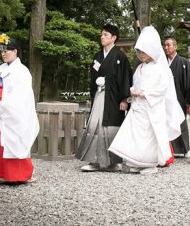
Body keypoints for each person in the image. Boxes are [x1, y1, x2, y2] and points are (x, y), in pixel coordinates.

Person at [108, 26, 184, 174]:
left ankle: (151, 163)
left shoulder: (161, 68)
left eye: (144, 51)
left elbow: (163, 88)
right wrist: (132, 92)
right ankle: (136, 161)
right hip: (138, 107)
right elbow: (135, 84)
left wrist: (145, 93)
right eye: (139, 51)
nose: (141, 54)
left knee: (150, 136)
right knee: (135, 134)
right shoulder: (140, 68)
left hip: (152, 107)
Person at [0, 34, 39, 188]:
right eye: (2, 51)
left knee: (13, 142)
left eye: (7, 50)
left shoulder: (22, 71)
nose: (4, 53)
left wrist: (3, 108)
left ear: (16, 52)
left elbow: (20, 95)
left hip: (9, 114)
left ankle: (21, 175)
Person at [76, 24, 132, 172]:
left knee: (111, 127)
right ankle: (94, 161)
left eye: (105, 35)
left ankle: (113, 162)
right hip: (99, 95)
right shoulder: (98, 56)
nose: (102, 37)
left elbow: (126, 78)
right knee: (95, 125)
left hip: (113, 98)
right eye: (102, 34)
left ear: (114, 38)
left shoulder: (120, 57)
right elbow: (92, 77)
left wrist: (124, 99)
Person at [164, 37, 190, 157]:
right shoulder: (161, 63)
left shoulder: (184, 62)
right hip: (164, 99)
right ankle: (168, 149)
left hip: (179, 98)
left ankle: (185, 149)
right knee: (165, 123)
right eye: (165, 45)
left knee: (180, 122)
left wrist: (189, 101)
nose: (166, 47)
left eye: (169, 45)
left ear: (175, 47)